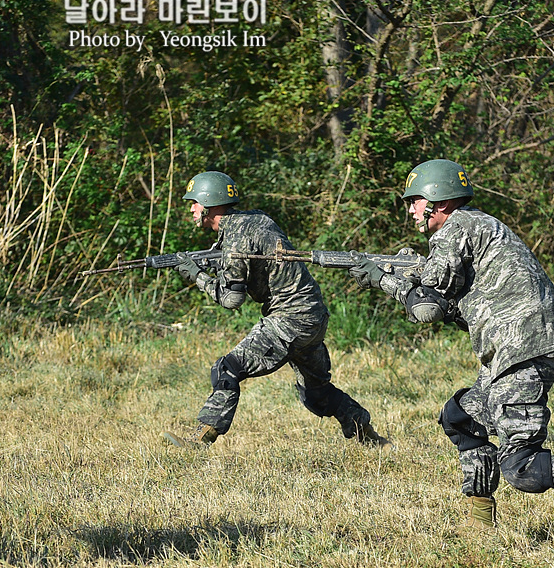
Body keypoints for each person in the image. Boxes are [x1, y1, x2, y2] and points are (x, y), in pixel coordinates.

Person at [348, 159, 554, 549]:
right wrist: (398, 274)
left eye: (415, 201)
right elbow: (452, 301)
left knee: (521, 466)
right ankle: (479, 523)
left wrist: (380, 279)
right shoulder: (476, 227)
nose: (410, 209)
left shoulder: (457, 228)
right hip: (519, 345)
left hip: (521, 346)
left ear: (437, 201)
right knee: (460, 418)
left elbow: (427, 307)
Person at [162, 171, 388, 450]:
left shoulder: (235, 239)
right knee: (316, 394)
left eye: (194, 202)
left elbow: (232, 300)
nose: (191, 209)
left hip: (289, 318)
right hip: (313, 315)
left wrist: (197, 276)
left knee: (227, 369)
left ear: (210, 204)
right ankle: (368, 435)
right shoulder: (254, 220)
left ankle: (201, 438)